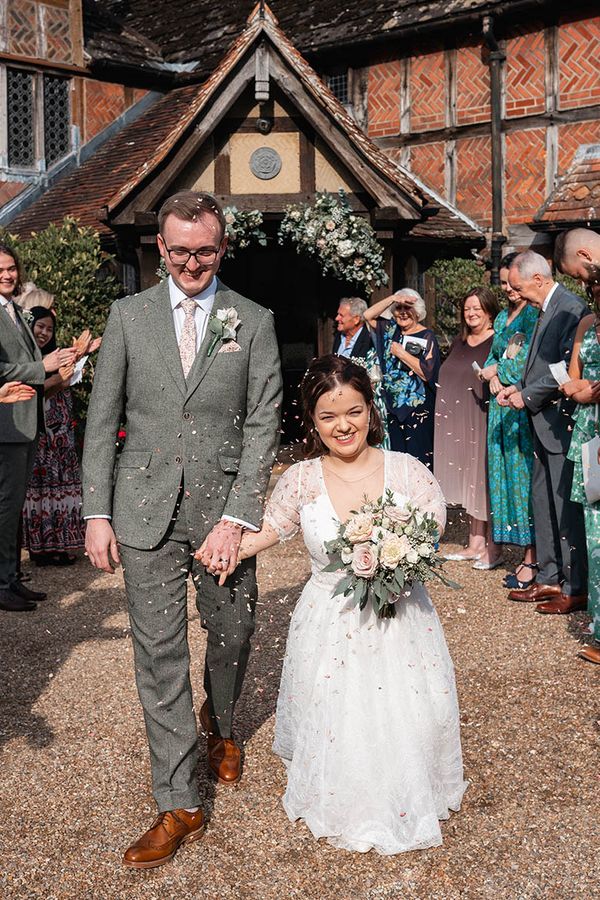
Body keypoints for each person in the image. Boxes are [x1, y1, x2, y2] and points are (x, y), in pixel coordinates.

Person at [82, 190, 282, 869]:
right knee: (158, 656)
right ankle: (179, 801)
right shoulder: (127, 317)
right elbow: (102, 420)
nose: (192, 263)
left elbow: (263, 424)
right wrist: (97, 513)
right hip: (142, 511)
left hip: (222, 514)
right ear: (160, 249)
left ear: (222, 249)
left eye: (205, 251)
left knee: (234, 630)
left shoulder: (252, 321)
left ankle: (221, 725)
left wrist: (238, 517)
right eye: (180, 252)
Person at [220, 355, 466, 854]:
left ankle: (407, 788)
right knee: (340, 716)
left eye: (353, 411)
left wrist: (402, 553)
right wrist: (221, 549)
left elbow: (431, 528)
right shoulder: (301, 479)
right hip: (329, 623)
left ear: (370, 410)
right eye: (328, 416)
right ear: (312, 420)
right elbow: (270, 529)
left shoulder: (408, 471)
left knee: (406, 709)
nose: (343, 426)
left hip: (400, 619)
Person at [497, 250, 588, 614]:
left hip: (559, 422)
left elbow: (567, 366)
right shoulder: (544, 308)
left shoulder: (570, 308)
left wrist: (528, 395)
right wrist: (516, 387)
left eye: (518, 286)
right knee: (543, 502)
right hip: (541, 421)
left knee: (565, 506)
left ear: (538, 278)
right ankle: (549, 576)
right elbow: (539, 362)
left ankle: (574, 585)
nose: (515, 293)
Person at [0, 244, 76, 613]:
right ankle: (2, 584)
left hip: (27, 424)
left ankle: (11, 578)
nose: (7, 275)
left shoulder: (15, 310)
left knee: (12, 508)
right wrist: (41, 367)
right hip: (7, 422)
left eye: (11, 268)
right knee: (5, 508)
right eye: (0, 269)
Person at [478, 254, 539, 588]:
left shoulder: (532, 314)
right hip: (498, 405)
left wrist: (500, 372)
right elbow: (493, 354)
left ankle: (533, 556)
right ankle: (510, 547)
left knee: (523, 477)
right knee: (502, 477)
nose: (508, 289)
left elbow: (529, 357)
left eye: (512, 283)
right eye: (503, 283)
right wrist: (490, 374)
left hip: (519, 404)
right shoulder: (502, 316)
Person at [556, 231, 600, 664]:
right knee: (594, 533)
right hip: (588, 432)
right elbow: (573, 375)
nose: (588, 289)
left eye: (585, 280)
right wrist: (580, 388)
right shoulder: (588, 323)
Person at [434, 287, 501, 569]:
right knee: (468, 478)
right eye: (467, 309)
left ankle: (490, 544)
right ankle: (474, 543)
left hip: (480, 417)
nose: (471, 313)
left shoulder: (496, 341)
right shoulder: (459, 342)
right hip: (455, 420)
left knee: (482, 478)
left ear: (489, 312)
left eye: (477, 309)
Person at [21, 307, 91, 566]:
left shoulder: (55, 355)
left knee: (60, 487)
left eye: (49, 328)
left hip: (61, 433)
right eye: (40, 326)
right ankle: (41, 548)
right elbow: (36, 394)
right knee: (41, 490)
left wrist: (80, 356)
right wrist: (59, 381)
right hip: (41, 433)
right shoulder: (28, 360)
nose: (44, 332)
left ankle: (59, 544)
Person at [364, 289, 440, 467]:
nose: (403, 312)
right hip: (393, 407)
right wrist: (393, 298)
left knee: (419, 459)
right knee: (398, 458)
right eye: (399, 308)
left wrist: (402, 354)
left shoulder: (427, 336)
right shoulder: (390, 330)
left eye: (408, 308)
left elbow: (427, 373)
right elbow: (367, 315)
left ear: (418, 311)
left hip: (418, 408)